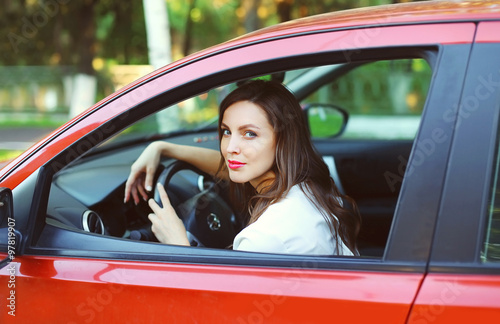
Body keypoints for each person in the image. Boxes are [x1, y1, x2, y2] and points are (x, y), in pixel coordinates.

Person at [124, 80, 361, 255]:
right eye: (227, 131)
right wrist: (163, 148)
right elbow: (230, 167)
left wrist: (179, 246)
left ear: (284, 140)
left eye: (249, 134)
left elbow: (223, 312)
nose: (230, 148)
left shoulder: (264, 239)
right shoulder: (305, 185)